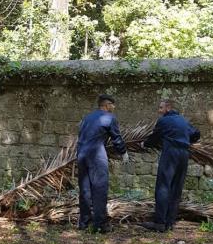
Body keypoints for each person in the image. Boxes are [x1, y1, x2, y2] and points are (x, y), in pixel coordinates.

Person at [141, 99, 200, 232]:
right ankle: (170, 222)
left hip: (171, 153)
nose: (159, 110)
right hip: (184, 154)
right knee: (176, 188)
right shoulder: (184, 121)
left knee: (163, 186)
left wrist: (145, 144)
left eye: (161, 108)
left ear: (168, 108)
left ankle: (160, 223)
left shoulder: (163, 121)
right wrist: (185, 140)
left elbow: (155, 137)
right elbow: (196, 134)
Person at [77, 94, 129, 233]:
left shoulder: (87, 118)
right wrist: (123, 153)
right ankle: (100, 224)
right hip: (96, 154)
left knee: (85, 190)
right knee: (99, 189)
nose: (114, 107)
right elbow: (116, 138)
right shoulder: (109, 118)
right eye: (113, 105)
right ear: (106, 105)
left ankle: (84, 222)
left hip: (81, 154)